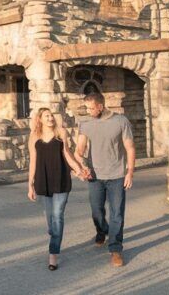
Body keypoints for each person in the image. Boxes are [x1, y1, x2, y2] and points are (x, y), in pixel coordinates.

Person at [75, 91, 135, 268]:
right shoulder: (85, 124)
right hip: (95, 176)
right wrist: (83, 165)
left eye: (91, 108)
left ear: (101, 106)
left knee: (117, 214)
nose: (88, 111)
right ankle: (101, 231)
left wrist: (130, 172)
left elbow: (130, 148)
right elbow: (79, 150)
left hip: (117, 175)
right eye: (86, 108)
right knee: (96, 211)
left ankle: (115, 249)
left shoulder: (121, 121)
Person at [27, 107, 90, 271]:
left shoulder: (61, 132)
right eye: (46, 116)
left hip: (61, 179)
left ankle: (53, 254)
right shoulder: (34, 136)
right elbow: (33, 161)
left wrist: (77, 170)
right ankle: (54, 234)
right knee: (50, 219)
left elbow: (67, 154)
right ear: (40, 119)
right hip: (43, 180)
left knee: (57, 215)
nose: (50, 118)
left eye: (51, 115)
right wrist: (30, 184)